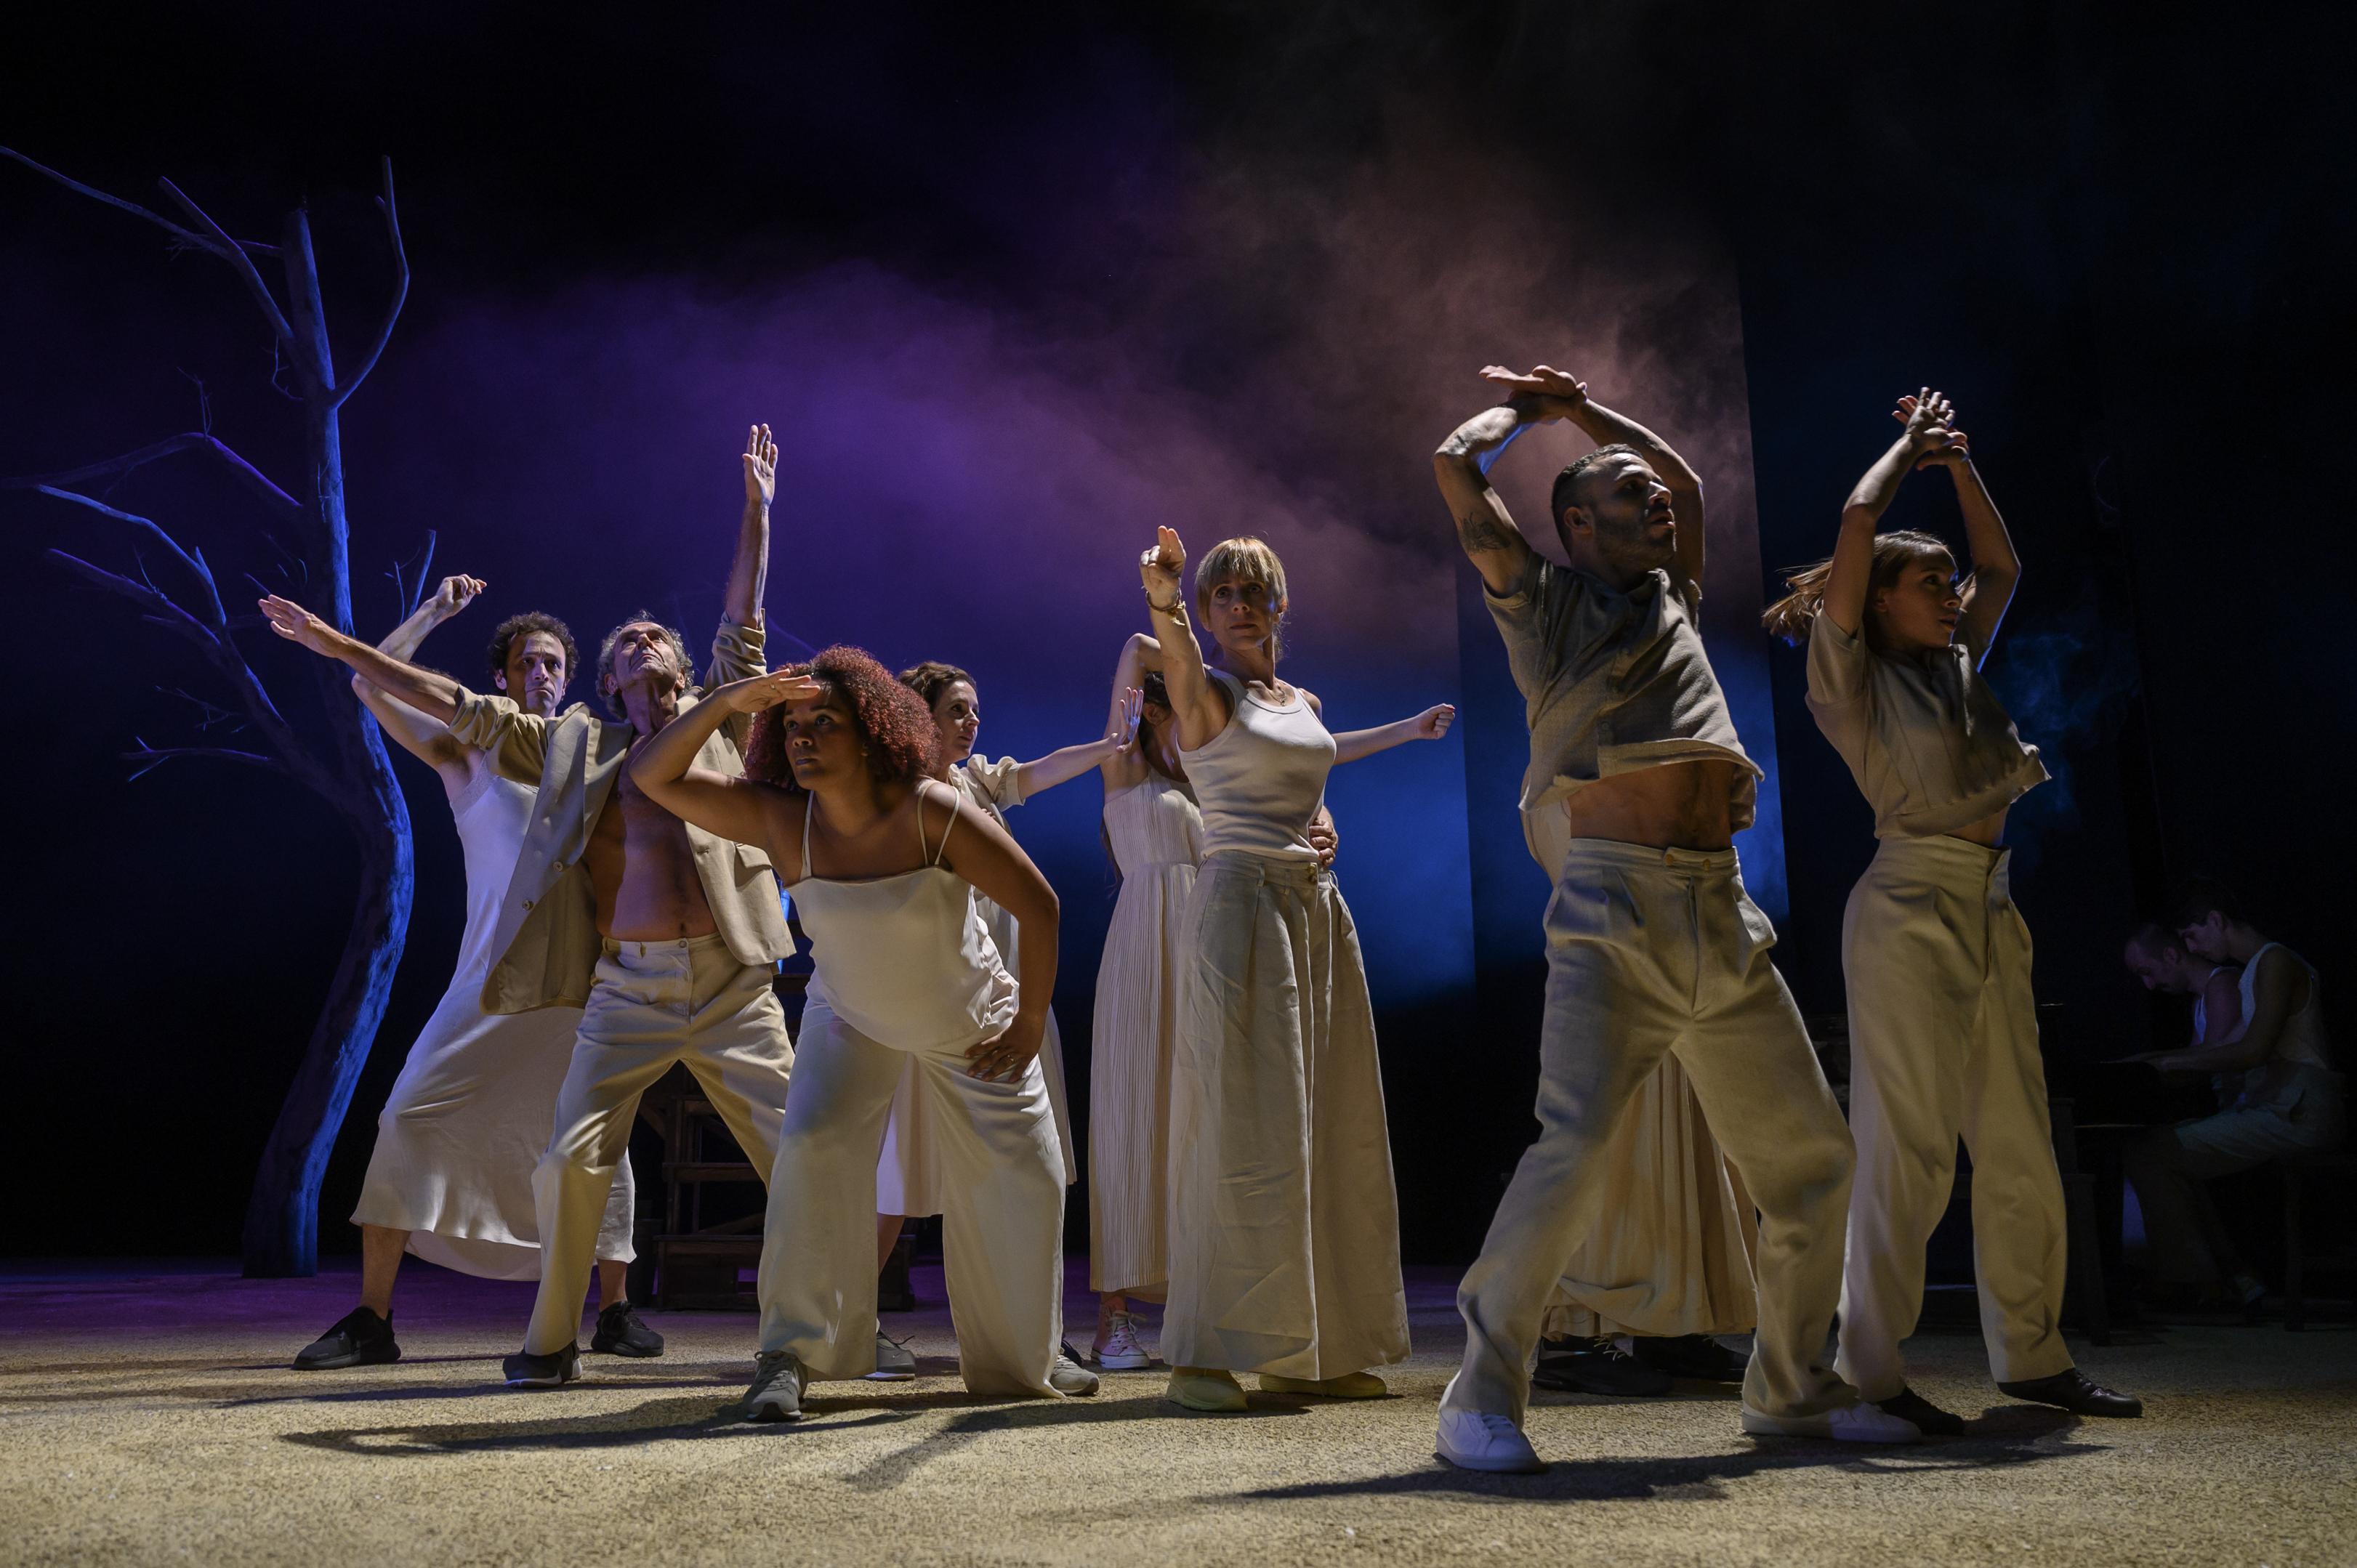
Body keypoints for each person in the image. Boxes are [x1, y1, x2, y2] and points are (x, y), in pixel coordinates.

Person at [1429, 363, 1916, 1473]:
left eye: (1652, 494)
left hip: (1718, 909)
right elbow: (1455, 468)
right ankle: (1478, 1392)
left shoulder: (1672, 595)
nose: (1658, 502)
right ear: (1571, 520)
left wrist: (1589, 409)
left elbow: (1692, 484)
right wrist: (1532, 415)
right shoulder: (1543, 604)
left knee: (1810, 1162)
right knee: (1576, 1144)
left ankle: (1791, 1387)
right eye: (1628, 492)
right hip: (1612, 904)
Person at [259, 424, 798, 1389]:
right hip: (576, 972)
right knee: (559, 1150)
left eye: (652, 634)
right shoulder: (570, 749)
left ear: (677, 664)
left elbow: (744, 624)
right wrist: (345, 642)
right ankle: (525, 1335)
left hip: (718, 976)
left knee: (792, 1148)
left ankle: (793, 1325)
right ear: (604, 683)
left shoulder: (722, 710)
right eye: (618, 643)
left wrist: (757, 510)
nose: (637, 634)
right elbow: (449, 704)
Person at [1763, 389, 2139, 1433]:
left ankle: (2031, 1353)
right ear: (1875, 601)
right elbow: (1851, 522)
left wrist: (1959, 463)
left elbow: (2005, 569)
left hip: (1987, 901)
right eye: (1924, 582)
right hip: (1907, 902)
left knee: (2016, 1140)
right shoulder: (1846, 677)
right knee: (1911, 1148)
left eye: (1943, 580)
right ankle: (1868, 1371)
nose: (1947, 592)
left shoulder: (1954, 660)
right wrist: (1903, 450)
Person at [626, 647, 1097, 1419]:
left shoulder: (931, 807)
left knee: (1027, 1176)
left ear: (874, 733)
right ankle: (789, 1355)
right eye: (795, 724)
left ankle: (1028, 1355)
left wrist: (1029, 1019)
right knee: (810, 1150)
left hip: (967, 1018)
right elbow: (654, 777)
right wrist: (731, 700)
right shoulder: (783, 818)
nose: (805, 736)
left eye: (827, 723)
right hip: (849, 1014)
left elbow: (1038, 904)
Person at [293, 579, 650, 1370]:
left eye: (554, 663)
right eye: (526, 663)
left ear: (570, 675)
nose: (541, 674)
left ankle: (617, 1309)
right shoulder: (471, 754)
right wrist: (431, 615)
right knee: (411, 1118)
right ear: (503, 678)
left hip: (584, 986)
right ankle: (372, 1317)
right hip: (488, 982)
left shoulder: (601, 756)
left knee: (599, 1139)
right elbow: (370, 679)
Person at [1137, 527, 1453, 1413]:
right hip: (1238, 905)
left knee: (1323, 1125)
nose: (1237, 606)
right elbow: (1176, 659)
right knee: (1240, 1128)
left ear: (1280, 604)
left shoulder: (1300, 700)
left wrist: (1332, 809)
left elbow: (1315, 765)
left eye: (1252, 591)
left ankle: (1301, 1348)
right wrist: (1162, 601)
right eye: (1220, 595)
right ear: (1206, 613)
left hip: (1313, 908)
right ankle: (1203, 1352)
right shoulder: (1204, 693)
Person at [861, 659, 1141, 1378]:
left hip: (1010, 996)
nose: (972, 720)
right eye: (957, 709)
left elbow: (1043, 770)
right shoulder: (904, 790)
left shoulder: (979, 781)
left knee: (1021, 1167)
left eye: (975, 709)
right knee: (903, 1170)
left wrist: (1111, 744)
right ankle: (847, 1320)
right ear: (920, 716)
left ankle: (1031, 1332)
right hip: (943, 996)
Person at [2123, 888, 2345, 1303]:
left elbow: (2251, 1051)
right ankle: (2221, 1278)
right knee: (2156, 1149)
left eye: (2191, 936)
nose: (2190, 949)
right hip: (2283, 1109)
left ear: (2216, 920)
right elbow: (2226, 1048)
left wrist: (2168, 1065)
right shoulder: (2255, 972)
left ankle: (2202, 1286)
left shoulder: (2276, 961)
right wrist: (2150, 1061)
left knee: (2152, 1153)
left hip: (2301, 1111)